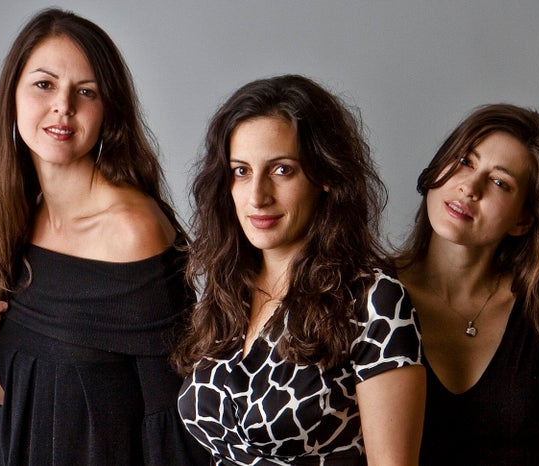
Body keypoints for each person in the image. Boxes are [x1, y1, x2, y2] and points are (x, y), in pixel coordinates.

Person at [0, 8, 208, 465]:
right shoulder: (24, 216)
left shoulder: (131, 231)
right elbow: (42, 400)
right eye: (44, 84)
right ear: (13, 96)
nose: (63, 105)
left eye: (86, 91)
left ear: (107, 110)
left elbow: (172, 420)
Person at [173, 74, 426, 465]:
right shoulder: (227, 291)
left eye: (281, 170)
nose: (257, 196)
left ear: (324, 175)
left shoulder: (374, 301)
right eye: (241, 171)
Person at [393, 104, 539, 465]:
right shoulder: (368, 293)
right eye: (465, 160)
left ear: (523, 220)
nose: (470, 187)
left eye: (500, 182)